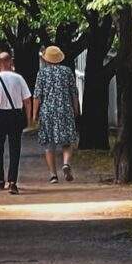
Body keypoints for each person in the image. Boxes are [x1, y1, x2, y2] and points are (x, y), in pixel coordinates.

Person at [0, 52, 31, 195]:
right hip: (16, 115)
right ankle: (12, 182)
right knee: (15, 149)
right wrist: (28, 117)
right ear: (11, 62)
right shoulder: (19, 78)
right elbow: (27, 100)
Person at [32, 45, 80, 184]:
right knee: (68, 141)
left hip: (47, 111)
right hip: (65, 109)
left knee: (49, 144)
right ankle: (66, 163)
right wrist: (76, 109)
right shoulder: (67, 72)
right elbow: (74, 93)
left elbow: (37, 95)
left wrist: (34, 114)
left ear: (46, 60)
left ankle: (53, 175)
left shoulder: (42, 73)